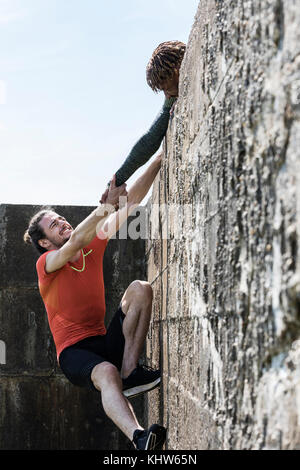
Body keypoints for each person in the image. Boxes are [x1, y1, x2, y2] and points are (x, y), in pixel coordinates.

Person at [23, 153, 166, 450]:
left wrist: (158, 159)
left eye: (60, 218)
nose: (62, 222)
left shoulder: (92, 243)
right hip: (75, 354)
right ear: (45, 243)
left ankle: (131, 372)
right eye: (53, 224)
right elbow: (74, 243)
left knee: (141, 289)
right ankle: (140, 437)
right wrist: (104, 206)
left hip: (102, 340)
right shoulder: (47, 265)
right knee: (105, 372)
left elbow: (131, 205)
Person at [100, 40, 186, 203]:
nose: (167, 95)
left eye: (167, 88)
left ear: (177, 72)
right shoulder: (171, 97)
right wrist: (116, 180)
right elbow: (149, 141)